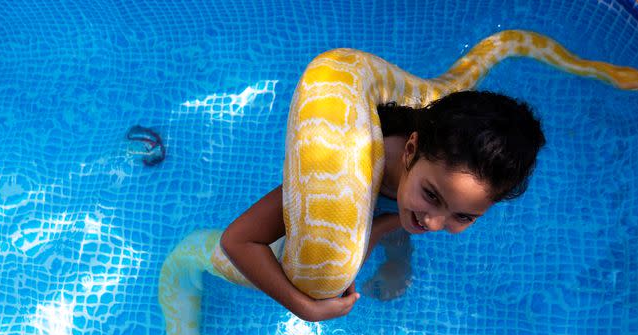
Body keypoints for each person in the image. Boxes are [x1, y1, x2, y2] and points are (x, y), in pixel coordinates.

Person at [220, 90, 546, 322]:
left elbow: (410, 213)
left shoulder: (431, 178)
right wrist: (302, 306)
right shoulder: (338, 175)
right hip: (327, 217)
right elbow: (237, 240)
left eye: (464, 216)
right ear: (410, 149)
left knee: (407, 216)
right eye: (433, 195)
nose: (435, 224)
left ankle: (397, 251)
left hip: (387, 210)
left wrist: (389, 224)